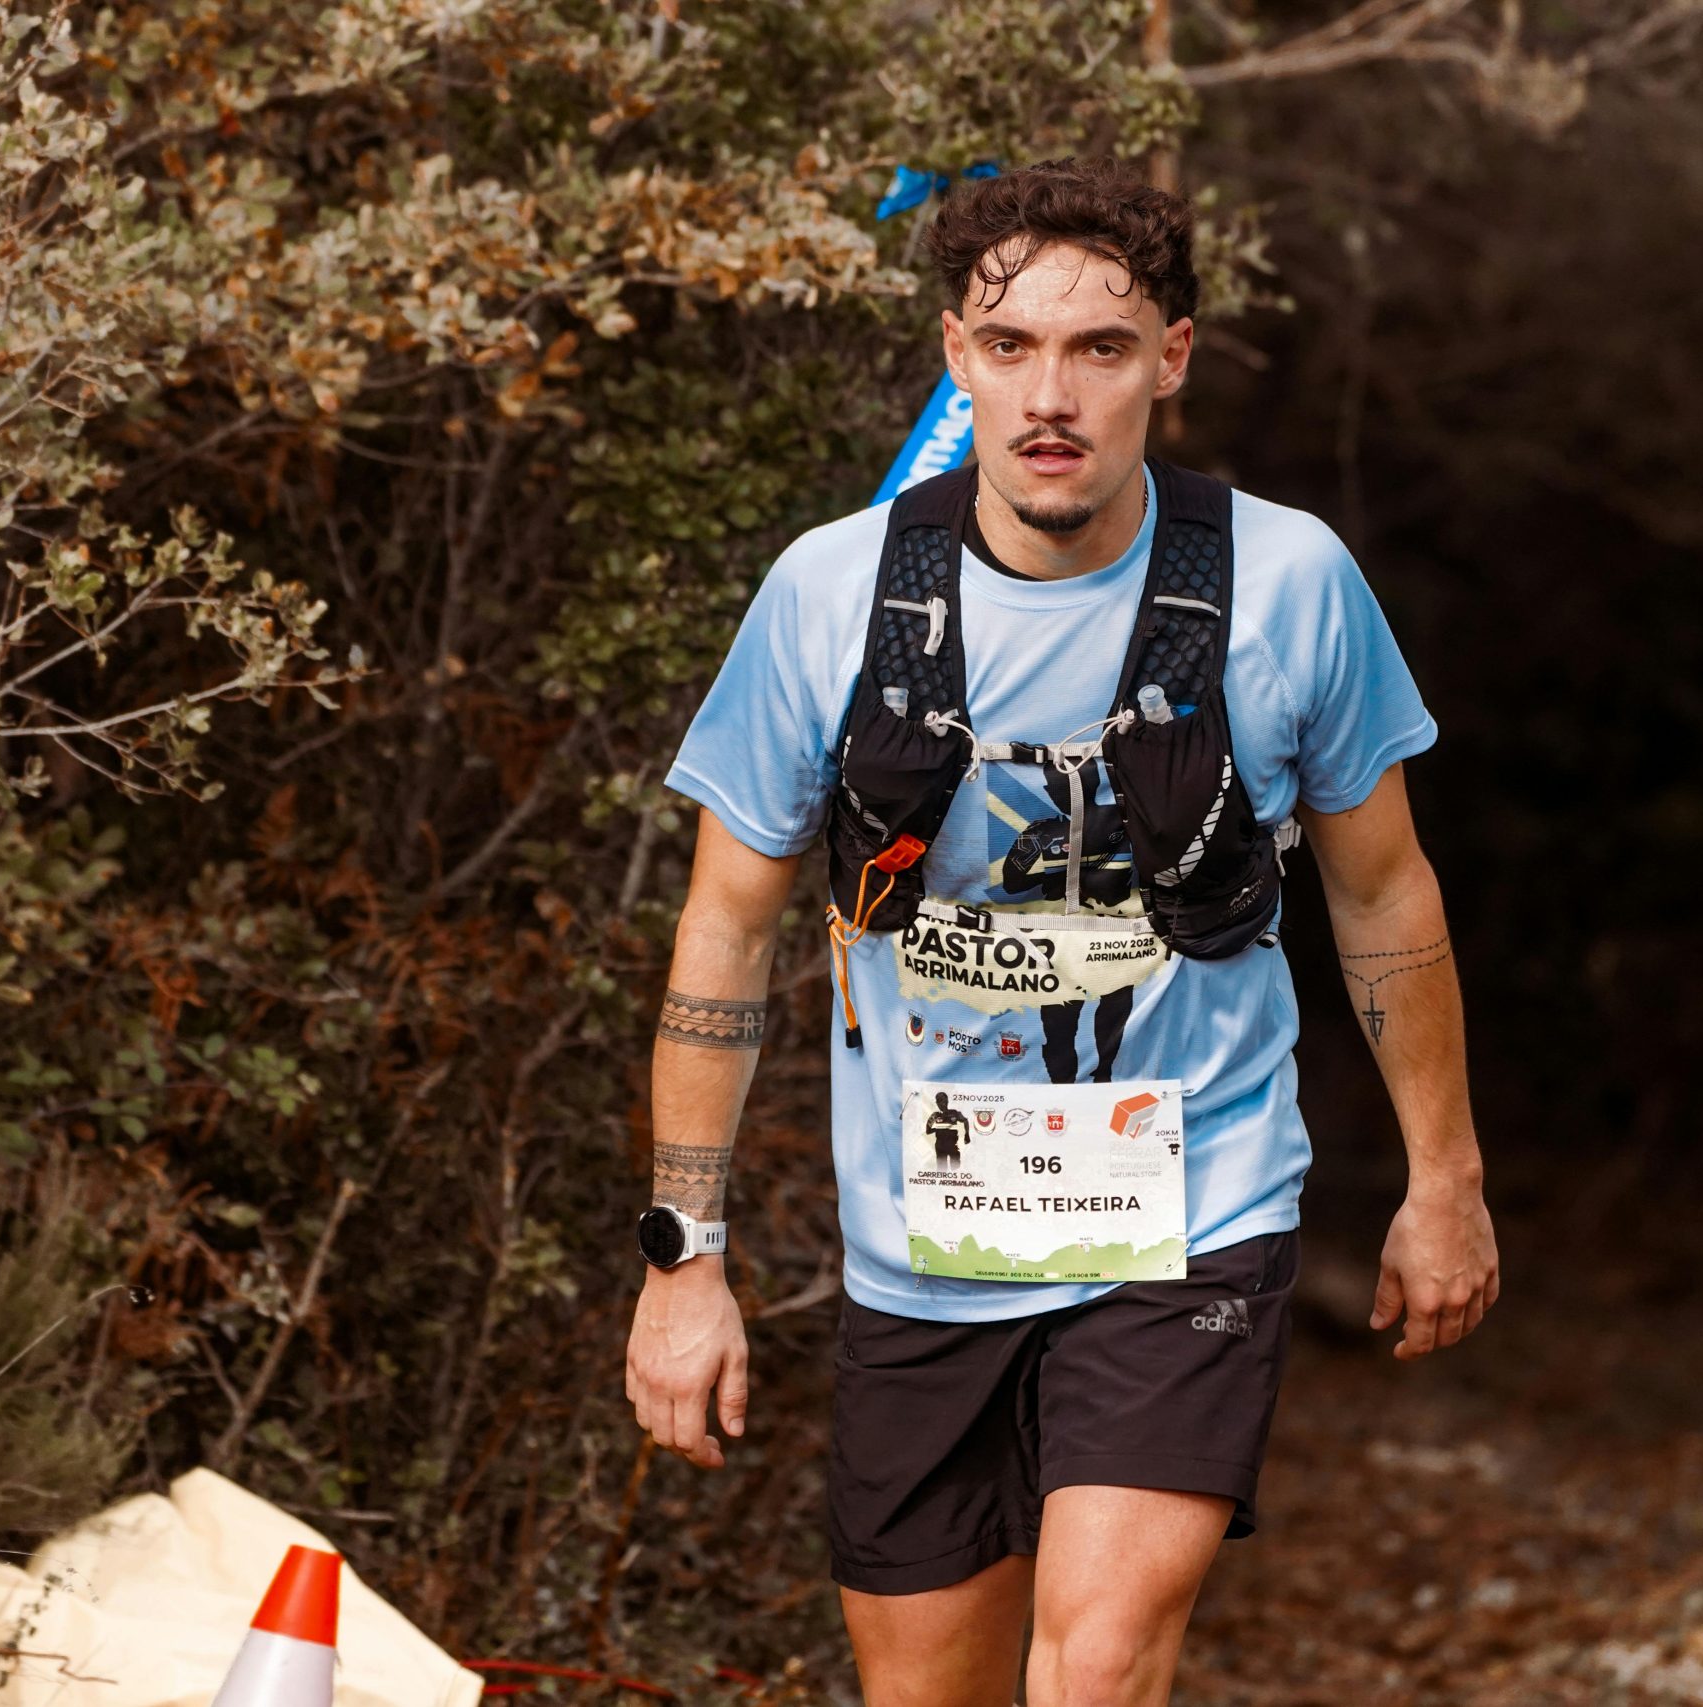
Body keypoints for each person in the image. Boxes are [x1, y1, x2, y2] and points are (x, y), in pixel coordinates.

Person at [624, 156, 1497, 1707]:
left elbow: (1381, 891)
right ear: (955, 356)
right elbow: (725, 930)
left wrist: (1448, 1179)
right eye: (1010, 345)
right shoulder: (831, 597)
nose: (1052, 395)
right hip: (927, 1244)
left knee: (1094, 1667)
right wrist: (684, 1260)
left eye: (1101, 348)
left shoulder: (1288, 583)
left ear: (1171, 358)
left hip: (1192, 1212)